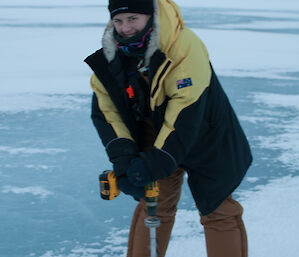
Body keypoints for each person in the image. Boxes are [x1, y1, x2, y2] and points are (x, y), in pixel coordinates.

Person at [84, 0, 252, 256]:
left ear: (151, 16)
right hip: (156, 131)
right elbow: (107, 112)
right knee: (153, 202)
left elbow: (186, 109)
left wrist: (159, 161)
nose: (125, 28)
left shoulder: (183, 45)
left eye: (133, 19)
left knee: (218, 210)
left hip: (207, 132)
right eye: (118, 20)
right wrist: (125, 161)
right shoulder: (112, 54)